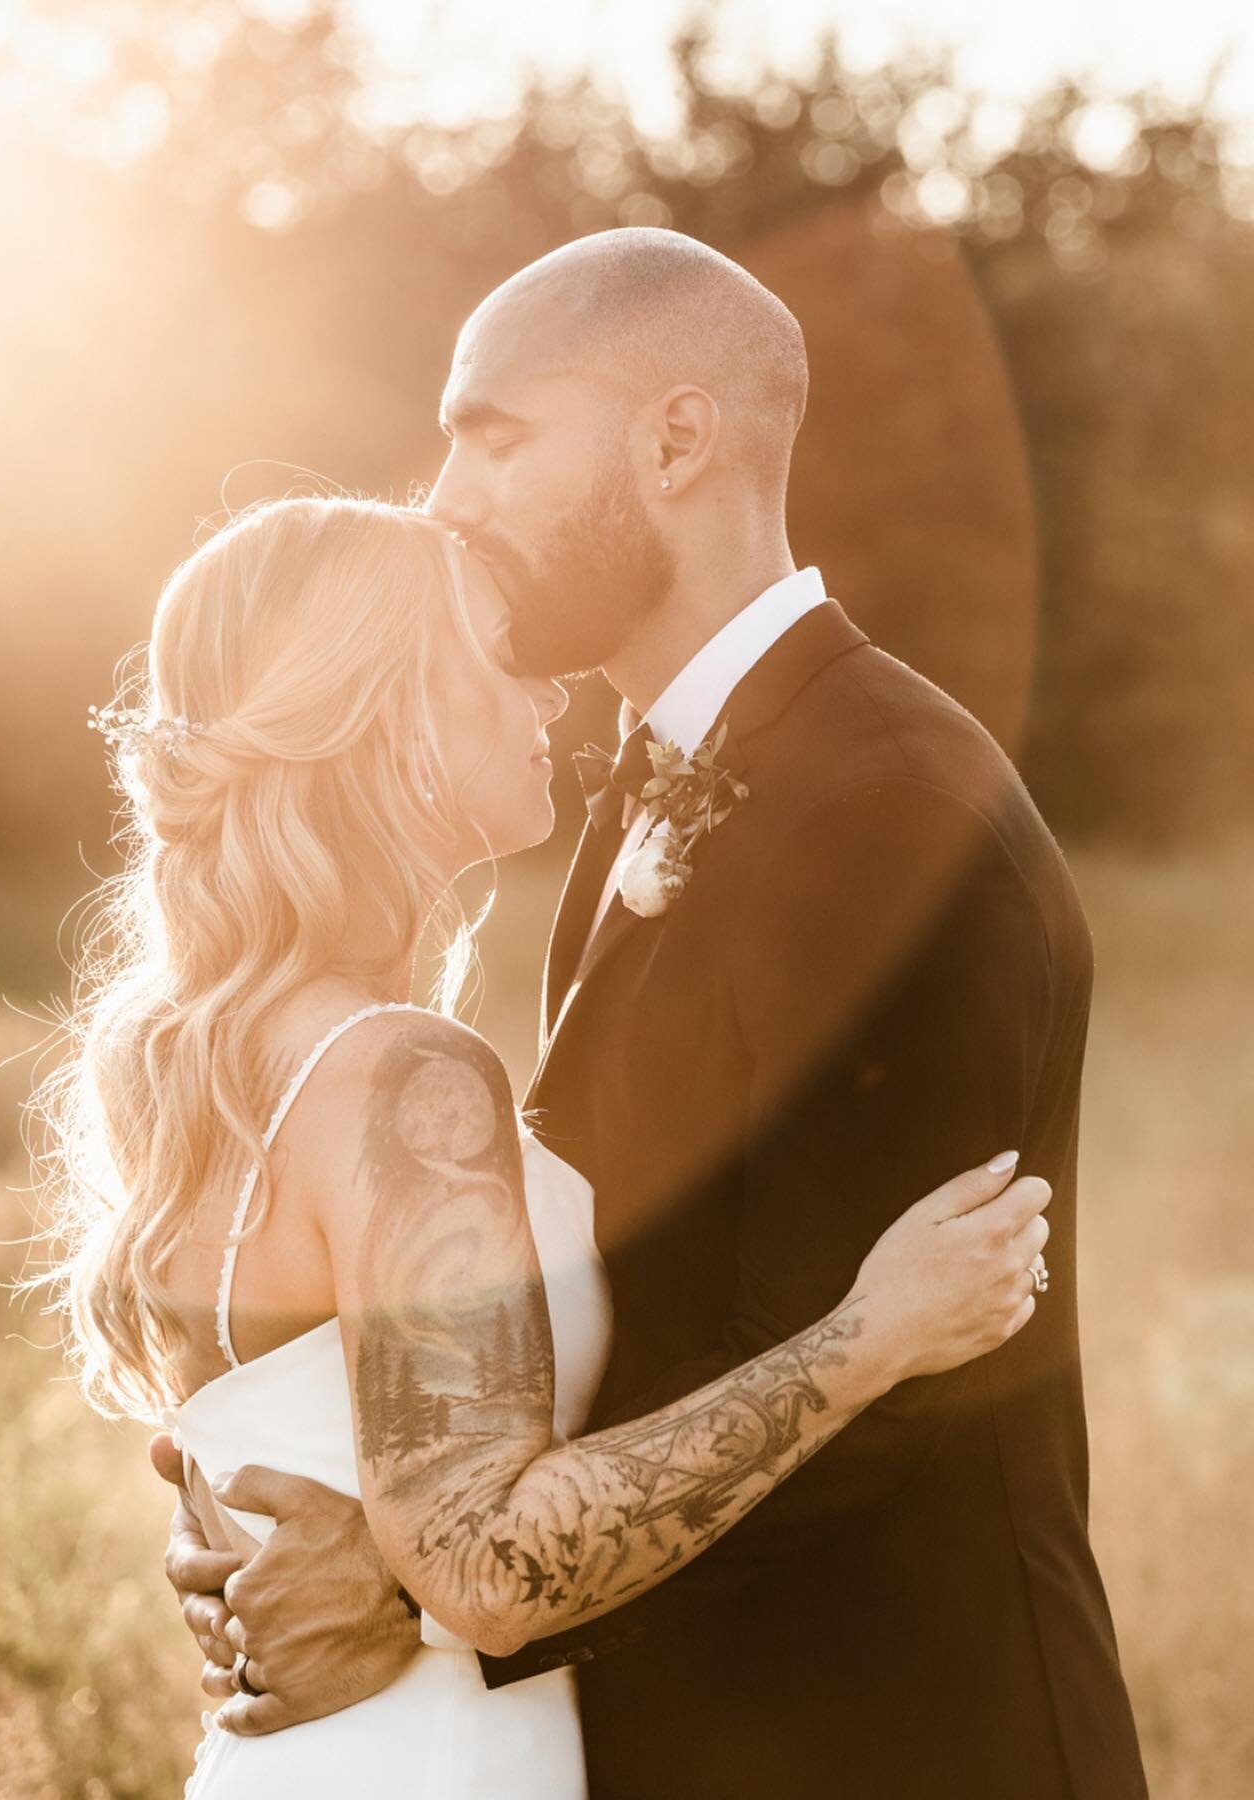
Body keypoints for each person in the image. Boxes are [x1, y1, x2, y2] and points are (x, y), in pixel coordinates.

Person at [157, 230, 1149, 1798]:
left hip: (892, 1738)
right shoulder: (644, 793)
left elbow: (888, 1389)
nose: (445, 500)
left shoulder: (882, 801)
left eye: (495, 437)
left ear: (676, 441)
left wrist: (411, 1581)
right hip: (694, 1727)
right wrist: (373, 1498)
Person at [40, 492, 1052, 1797]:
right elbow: (489, 1572)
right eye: (496, 659)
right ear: (395, 723)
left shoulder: (211, 1062)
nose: (549, 701)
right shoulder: (402, 1074)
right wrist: (874, 1337)